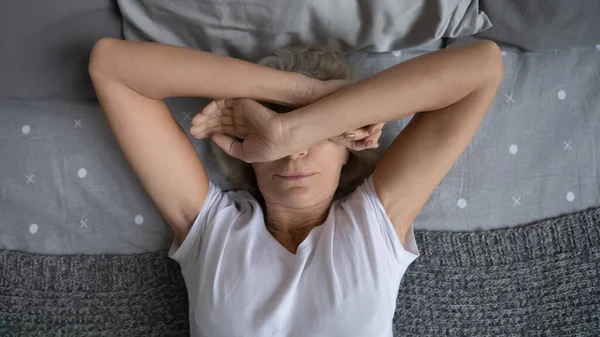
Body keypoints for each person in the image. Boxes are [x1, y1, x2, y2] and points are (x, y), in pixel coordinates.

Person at [88, 38, 503, 337]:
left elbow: (483, 66)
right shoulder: (210, 233)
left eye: (317, 134)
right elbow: (111, 65)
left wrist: (294, 127)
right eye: (272, 136)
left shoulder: (374, 225)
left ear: (349, 151)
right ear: (247, 155)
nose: (294, 154)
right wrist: (305, 94)